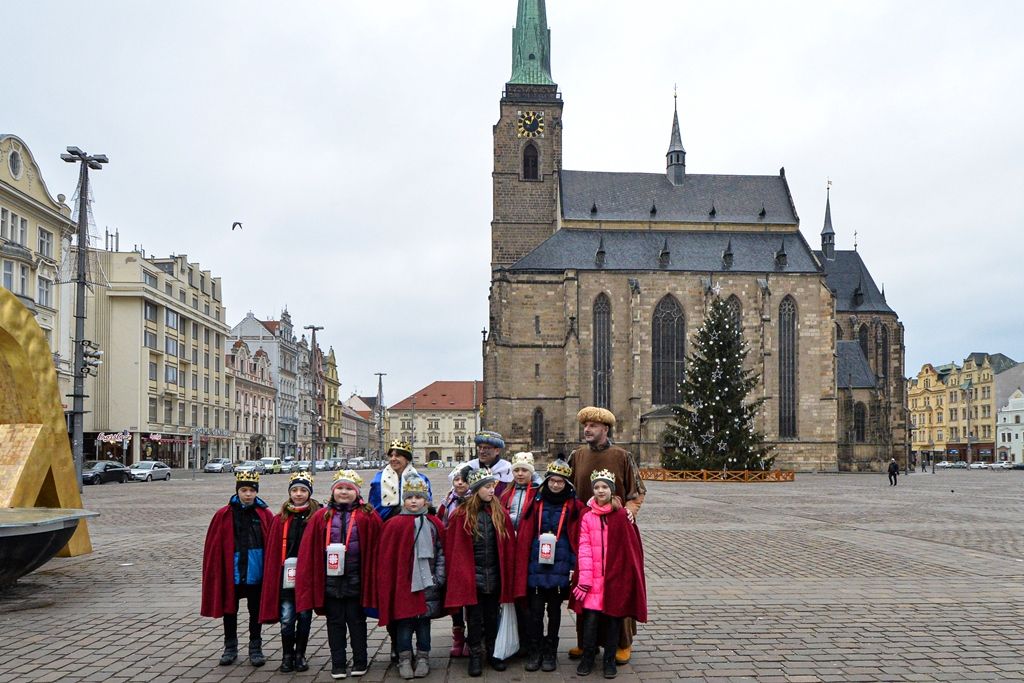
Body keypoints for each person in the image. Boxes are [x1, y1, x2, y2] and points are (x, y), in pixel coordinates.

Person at [567, 406, 646, 664]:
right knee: (585, 583)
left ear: (605, 429)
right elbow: (563, 488)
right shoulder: (576, 455)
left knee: (617, 586)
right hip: (585, 530)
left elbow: (637, 492)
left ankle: (623, 642)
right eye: (585, 425)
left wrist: (630, 511)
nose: (587, 430)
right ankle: (585, 642)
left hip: (616, 532)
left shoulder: (622, 456)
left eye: (592, 426)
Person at [296, 470, 381, 680]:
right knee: (335, 623)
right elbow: (310, 550)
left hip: (356, 580)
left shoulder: (367, 515)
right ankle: (338, 663)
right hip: (330, 581)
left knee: (357, 622)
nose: (344, 492)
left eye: (349, 489)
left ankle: (360, 661)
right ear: (333, 492)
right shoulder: (322, 516)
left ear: (357, 492)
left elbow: (377, 548)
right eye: (340, 488)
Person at [571, 470, 647, 679]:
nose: (600, 490)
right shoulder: (587, 515)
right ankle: (588, 658)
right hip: (592, 580)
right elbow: (584, 547)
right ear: (592, 490)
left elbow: (629, 550)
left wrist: (625, 577)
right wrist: (584, 580)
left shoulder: (621, 514)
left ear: (611, 491)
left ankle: (609, 660)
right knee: (590, 622)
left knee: (613, 622)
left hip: (614, 579)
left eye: (605, 487)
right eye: (597, 487)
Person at [443, 467, 518, 677]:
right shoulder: (462, 514)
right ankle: (475, 654)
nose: (492, 490)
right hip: (472, 577)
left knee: (492, 616)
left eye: (492, 485)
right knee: (474, 619)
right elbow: (455, 548)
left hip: (494, 575)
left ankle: (493, 652)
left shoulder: (499, 512)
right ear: (476, 490)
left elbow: (507, 545)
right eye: (487, 486)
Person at [514, 459, 583, 672]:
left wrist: (573, 564)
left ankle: (551, 653)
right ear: (547, 482)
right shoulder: (536, 502)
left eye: (559, 482)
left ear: (566, 484)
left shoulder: (573, 505)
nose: (555, 485)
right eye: (552, 481)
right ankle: (536, 651)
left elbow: (577, 535)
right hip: (537, 563)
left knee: (554, 612)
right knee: (535, 612)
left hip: (560, 564)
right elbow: (526, 532)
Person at [376, 474, 446, 679]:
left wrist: (439, 578)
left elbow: (442, 553)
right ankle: (404, 658)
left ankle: (423, 657)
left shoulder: (434, 524)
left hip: (428, 583)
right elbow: (386, 558)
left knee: (424, 624)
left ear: (426, 500)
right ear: (403, 500)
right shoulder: (393, 524)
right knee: (404, 624)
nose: (414, 501)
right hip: (403, 586)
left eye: (418, 497)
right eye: (409, 497)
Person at [201, 470, 274, 667]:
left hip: (255, 571)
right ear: (237, 491)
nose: (248, 494)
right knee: (229, 610)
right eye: (244, 490)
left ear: (256, 492)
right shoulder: (224, 514)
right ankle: (230, 647)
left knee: (255, 611)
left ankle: (255, 647)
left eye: (251, 490)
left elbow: (272, 543)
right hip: (231, 571)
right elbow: (215, 546)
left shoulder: (264, 514)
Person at [258, 471, 320, 672]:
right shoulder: (280, 519)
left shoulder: (316, 517)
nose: (299, 494)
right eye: (295, 490)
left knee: (304, 618)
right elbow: (273, 551)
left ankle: (300, 654)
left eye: (303, 490)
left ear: (309, 493)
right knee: (286, 618)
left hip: (307, 578)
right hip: (285, 578)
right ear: (290, 493)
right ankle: (287, 655)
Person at [438, 465, 472, 658]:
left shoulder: (474, 500)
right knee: (455, 599)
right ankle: (458, 636)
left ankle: (472, 638)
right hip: (451, 555)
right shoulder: (447, 502)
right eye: (457, 480)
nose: (460, 483)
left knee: (470, 599)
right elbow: (440, 525)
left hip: (469, 556)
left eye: (464, 480)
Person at [369, 440, 433, 522]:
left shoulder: (421, 479)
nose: (393, 459)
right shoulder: (378, 480)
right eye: (391, 455)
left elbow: (427, 505)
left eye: (397, 456)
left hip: (413, 525)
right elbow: (373, 508)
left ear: (407, 459)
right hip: (384, 525)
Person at [458, 431, 513, 497]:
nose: (481, 451)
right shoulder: (469, 467)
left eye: (486, 448)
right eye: (480, 447)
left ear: (497, 451)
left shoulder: (507, 469)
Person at [499, 451, 542, 531]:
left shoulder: (537, 492)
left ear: (531, 472)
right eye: (516, 470)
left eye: (524, 470)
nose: (520, 473)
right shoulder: (507, 493)